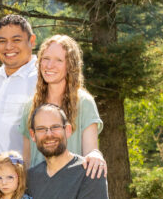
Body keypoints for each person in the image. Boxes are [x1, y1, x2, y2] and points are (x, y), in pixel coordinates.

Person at [19, 34, 106, 177]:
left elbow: (91, 152)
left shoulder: (84, 103)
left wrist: (96, 155)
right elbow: (26, 160)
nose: (49, 65)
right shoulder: (30, 105)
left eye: (58, 60)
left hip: (72, 185)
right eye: (46, 58)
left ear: (70, 66)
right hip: (37, 187)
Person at [0, 14, 39, 199]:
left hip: (20, 192)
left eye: (16, 40)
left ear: (32, 41)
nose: (8, 47)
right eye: (2, 41)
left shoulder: (40, 79)